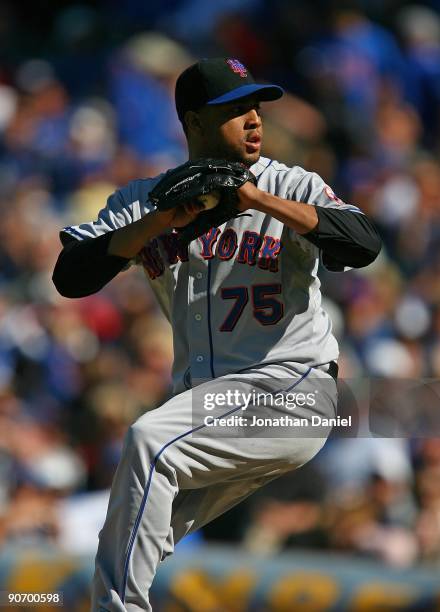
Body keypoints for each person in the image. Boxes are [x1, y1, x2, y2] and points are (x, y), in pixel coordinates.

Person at [53, 57, 381, 611]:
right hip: (214, 409)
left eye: (256, 107)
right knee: (134, 533)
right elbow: (71, 275)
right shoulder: (149, 200)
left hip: (290, 389)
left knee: (148, 442)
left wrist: (254, 200)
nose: (254, 120)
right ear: (195, 123)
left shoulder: (288, 184)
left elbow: (363, 242)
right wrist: (163, 219)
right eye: (235, 110)